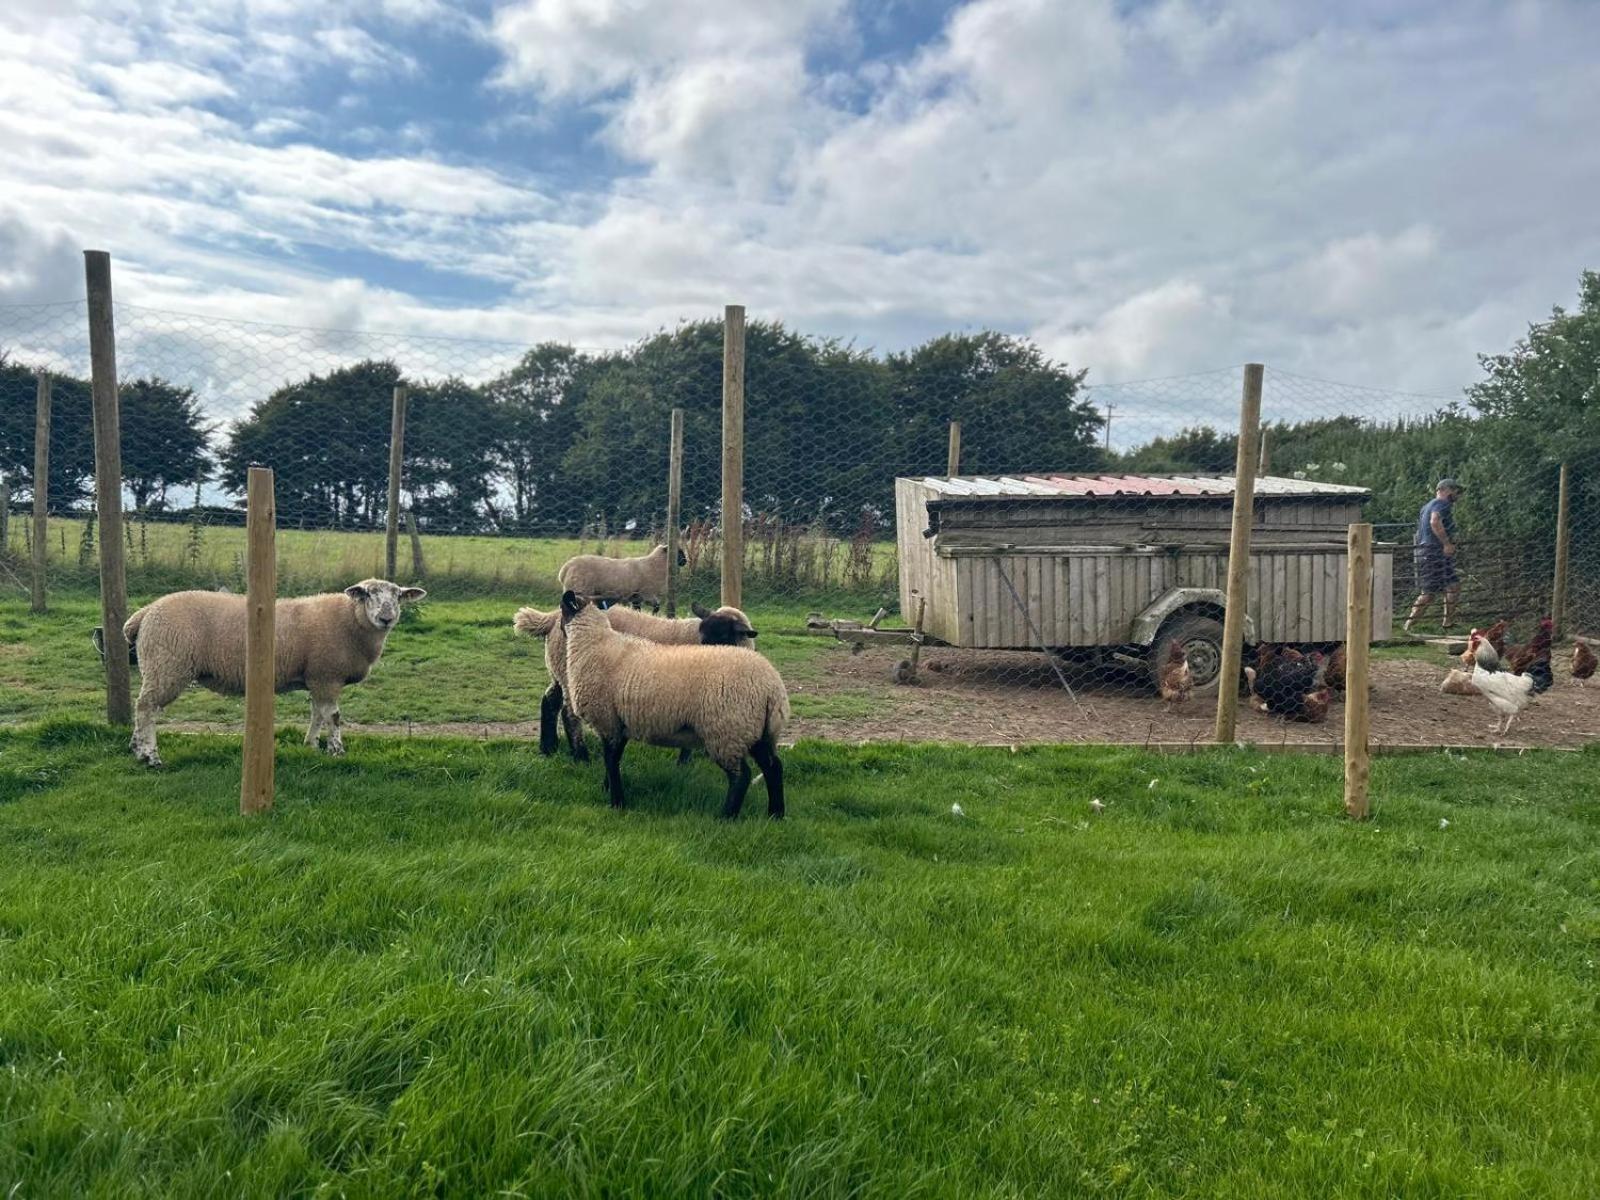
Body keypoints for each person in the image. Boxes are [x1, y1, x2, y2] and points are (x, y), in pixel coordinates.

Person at [1404, 478, 1463, 634]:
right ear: (1444, 490)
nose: (1457, 494)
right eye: (1455, 490)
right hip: (1434, 552)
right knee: (1429, 594)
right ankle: (1408, 626)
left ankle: (1448, 624)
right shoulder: (1441, 504)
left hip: (1432, 552)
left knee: (1453, 586)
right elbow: (1435, 522)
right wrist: (1446, 543)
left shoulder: (1426, 506)